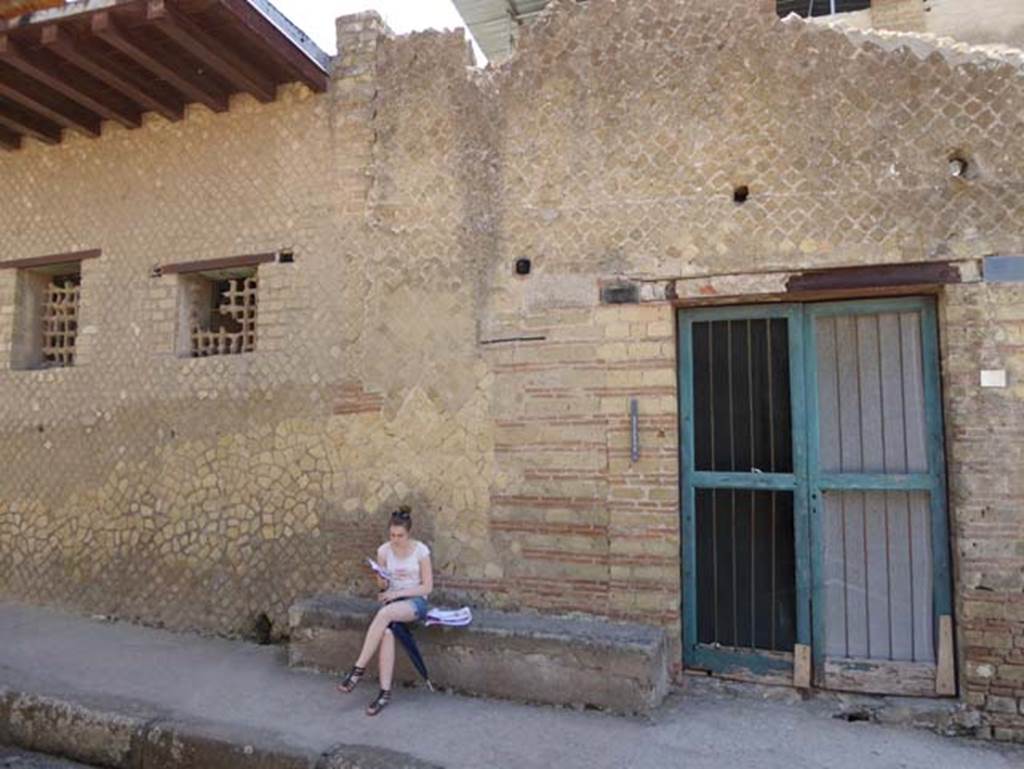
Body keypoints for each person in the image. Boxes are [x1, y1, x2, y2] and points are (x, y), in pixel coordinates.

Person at [336, 505, 432, 716]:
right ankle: (384, 693)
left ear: (409, 534)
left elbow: (427, 587)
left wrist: (396, 595)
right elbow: (382, 586)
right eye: (392, 535)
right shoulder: (383, 551)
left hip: (414, 603)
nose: (396, 539)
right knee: (387, 632)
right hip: (391, 602)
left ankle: (357, 670)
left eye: (400, 535)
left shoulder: (421, 550)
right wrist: (381, 580)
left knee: (384, 614)